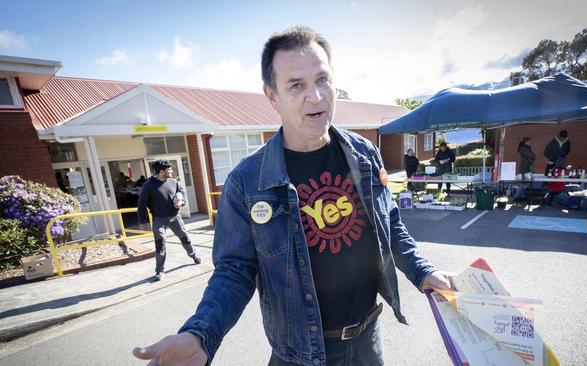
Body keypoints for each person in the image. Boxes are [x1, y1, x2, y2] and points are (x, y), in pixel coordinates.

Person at [132, 26, 454, 366]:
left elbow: (389, 224)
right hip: (297, 357)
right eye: (296, 85)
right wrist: (201, 333)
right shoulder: (247, 182)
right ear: (272, 96)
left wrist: (422, 271)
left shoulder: (365, 154)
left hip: (367, 346)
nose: (315, 96)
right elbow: (234, 271)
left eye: (322, 80)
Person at [137, 160, 201, 281]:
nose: (171, 171)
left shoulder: (174, 182)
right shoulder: (149, 185)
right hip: (159, 220)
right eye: (169, 169)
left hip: (175, 217)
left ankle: (194, 255)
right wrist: (142, 221)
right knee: (160, 244)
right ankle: (159, 271)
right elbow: (142, 204)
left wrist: (181, 203)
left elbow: (182, 195)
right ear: (161, 172)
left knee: (185, 238)